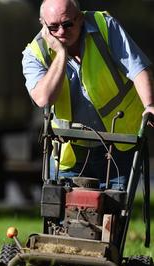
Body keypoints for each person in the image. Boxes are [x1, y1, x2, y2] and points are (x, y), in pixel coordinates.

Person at [22, 0, 154, 190]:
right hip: (69, 153)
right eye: (53, 27)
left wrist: (149, 104)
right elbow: (43, 98)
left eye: (67, 24)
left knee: (114, 213)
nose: (61, 32)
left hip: (118, 144)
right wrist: (60, 54)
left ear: (80, 18)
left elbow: (138, 68)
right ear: (43, 24)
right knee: (60, 215)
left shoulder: (105, 26)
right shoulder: (34, 53)